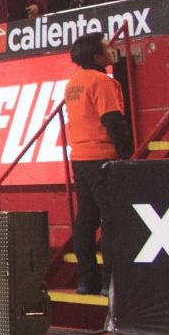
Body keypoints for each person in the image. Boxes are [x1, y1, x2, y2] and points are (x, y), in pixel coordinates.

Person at [62, 33, 132, 296]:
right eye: (105, 47)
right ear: (95, 55)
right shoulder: (102, 81)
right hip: (103, 157)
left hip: (80, 159)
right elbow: (112, 119)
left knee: (85, 220)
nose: (110, 49)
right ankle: (109, 281)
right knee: (112, 220)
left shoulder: (73, 83)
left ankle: (86, 281)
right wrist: (126, 154)